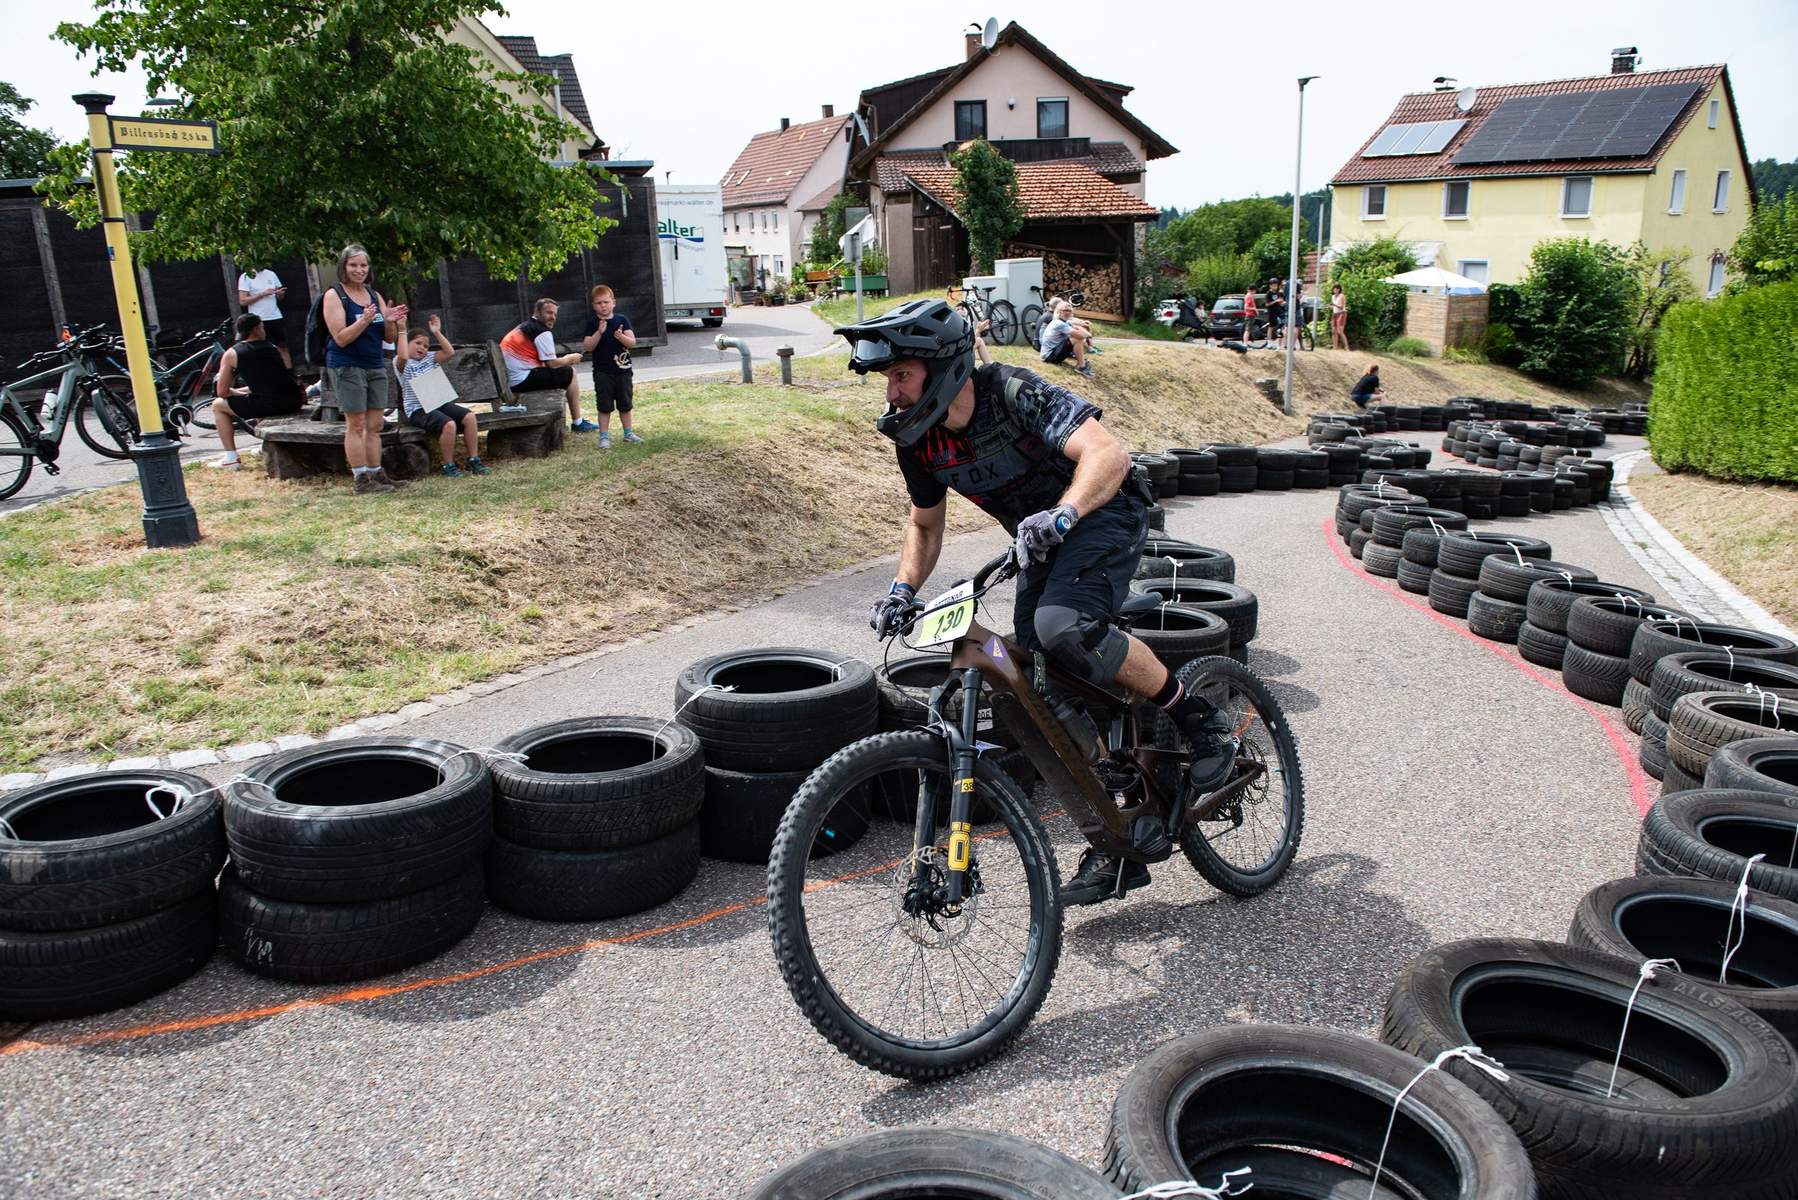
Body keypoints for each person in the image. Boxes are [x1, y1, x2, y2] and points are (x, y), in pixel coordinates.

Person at [845, 300, 1235, 906]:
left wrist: (1065, 512)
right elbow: (924, 525)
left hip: (1102, 512)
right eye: (887, 379)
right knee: (1032, 680)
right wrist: (902, 590)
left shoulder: (1011, 391)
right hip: (1039, 539)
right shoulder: (918, 440)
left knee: (1060, 627)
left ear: (942, 368)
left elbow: (1108, 455)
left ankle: (1198, 719)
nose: (891, 392)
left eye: (901, 375)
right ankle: (1116, 828)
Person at [321, 243, 408, 495]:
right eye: (353, 265)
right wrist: (364, 321)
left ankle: (376, 472)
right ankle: (361, 479)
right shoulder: (335, 295)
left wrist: (390, 322)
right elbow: (340, 338)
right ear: (344, 267)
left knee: (375, 424)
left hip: (374, 364)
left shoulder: (373, 295)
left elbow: (389, 338)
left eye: (363, 265)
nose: (359, 270)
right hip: (347, 365)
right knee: (356, 423)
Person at [397, 314, 488, 478]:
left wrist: (436, 332)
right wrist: (402, 330)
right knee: (449, 424)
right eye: (417, 343)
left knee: (469, 417)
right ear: (406, 343)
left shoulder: (429, 358)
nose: (422, 348)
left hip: (437, 402)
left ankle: (474, 460)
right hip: (418, 410)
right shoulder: (402, 362)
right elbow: (403, 356)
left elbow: (449, 352)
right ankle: (448, 465)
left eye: (426, 346)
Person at [209, 313, 302, 469]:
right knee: (258, 399)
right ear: (256, 330)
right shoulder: (272, 348)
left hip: (269, 404)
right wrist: (245, 392)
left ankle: (231, 458)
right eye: (262, 327)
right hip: (293, 401)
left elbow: (222, 392)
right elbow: (272, 382)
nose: (264, 330)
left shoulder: (232, 353)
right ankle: (264, 446)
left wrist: (237, 392)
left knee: (217, 405)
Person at [502, 298, 589, 430]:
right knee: (569, 372)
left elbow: (543, 363)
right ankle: (578, 423)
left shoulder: (525, 327)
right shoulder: (541, 332)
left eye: (555, 314)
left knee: (561, 372)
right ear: (537, 312)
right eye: (549, 313)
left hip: (510, 381)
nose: (552, 317)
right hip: (519, 381)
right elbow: (552, 364)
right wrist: (570, 358)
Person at [579, 284, 639, 448]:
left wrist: (621, 337)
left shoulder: (622, 320)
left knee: (625, 404)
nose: (603, 306)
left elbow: (632, 342)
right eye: (599, 303)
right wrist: (599, 332)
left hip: (623, 371)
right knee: (604, 405)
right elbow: (588, 346)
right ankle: (604, 436)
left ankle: (628, 433)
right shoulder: (592, 323)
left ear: (613, 302)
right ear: (593, 306)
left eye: (606, 302)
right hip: (602, 372)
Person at [236, 266, 291, 368]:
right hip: (258, 319)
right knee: (262, 349)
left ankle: (289, 373)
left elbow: (279, 298)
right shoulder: (246, 276)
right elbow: (243, 301)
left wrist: (280, 294)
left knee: (283, 347)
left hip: (275, 316)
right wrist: (262, 294)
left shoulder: (271, 274)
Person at [1037, 299, 1093, 378]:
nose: (1069, 312)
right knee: (1076, 339)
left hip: (1052, 353)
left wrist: (1084, 332)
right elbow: (1081, 335)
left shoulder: (1064, 322)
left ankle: (1081, 362)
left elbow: (1080, 328)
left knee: (1076, 336)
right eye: (1066, 310)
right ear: (1059, 312)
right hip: (1048, 357)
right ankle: (1081, 366)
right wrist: (1087, 334)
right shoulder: (1059, 323)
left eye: (1070, 310)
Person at [1266, 278, 1287, 348]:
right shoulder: (1269, 293)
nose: (1275, 287)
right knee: (1271, 327)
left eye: (1276, 285)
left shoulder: (1278, 293)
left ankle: (1279, 344)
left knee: (1282, 327)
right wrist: (1276, 301)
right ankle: (1269, 343)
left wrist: (1283, 303)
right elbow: (1267, 304)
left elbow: (1280, 302)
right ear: (1270, 286)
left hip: (1279, 311)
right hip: (1272, 312)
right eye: (1273, 286)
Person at [1330, 283, 1349, 351]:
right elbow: (1334, 307)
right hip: (1335, 314)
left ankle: (1346, 347)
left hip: (1341, 313)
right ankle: (1335, 347)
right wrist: (1330, 306)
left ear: (1339, 290)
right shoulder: (1332, 296)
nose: (1336, 290)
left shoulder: (1342, 296)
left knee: (1340, 331)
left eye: (1337, 289)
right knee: (1333, 331)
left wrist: (1334, 305)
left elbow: (1341, 307)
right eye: (1334, 289)